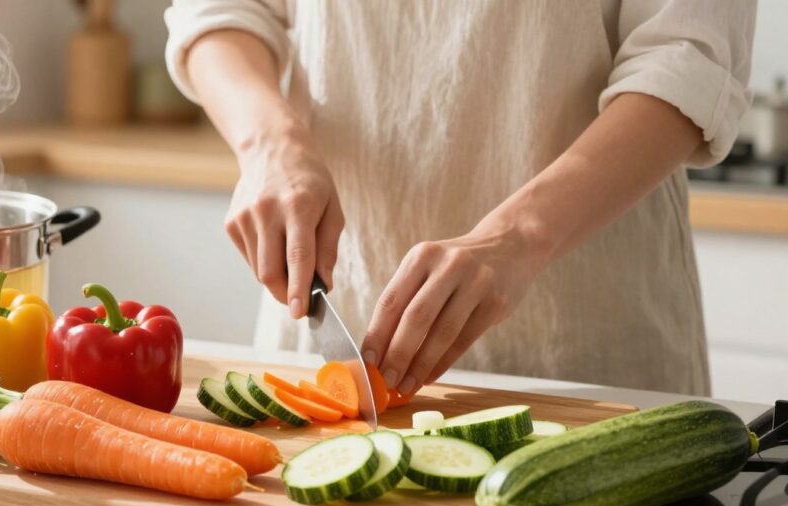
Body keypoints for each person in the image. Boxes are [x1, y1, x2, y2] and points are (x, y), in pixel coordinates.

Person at [164, 1, 756, 396]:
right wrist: (270, 140)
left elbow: (686, 61)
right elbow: (218, 10)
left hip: (585, 357)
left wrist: (518, 236)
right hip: (333, 333)